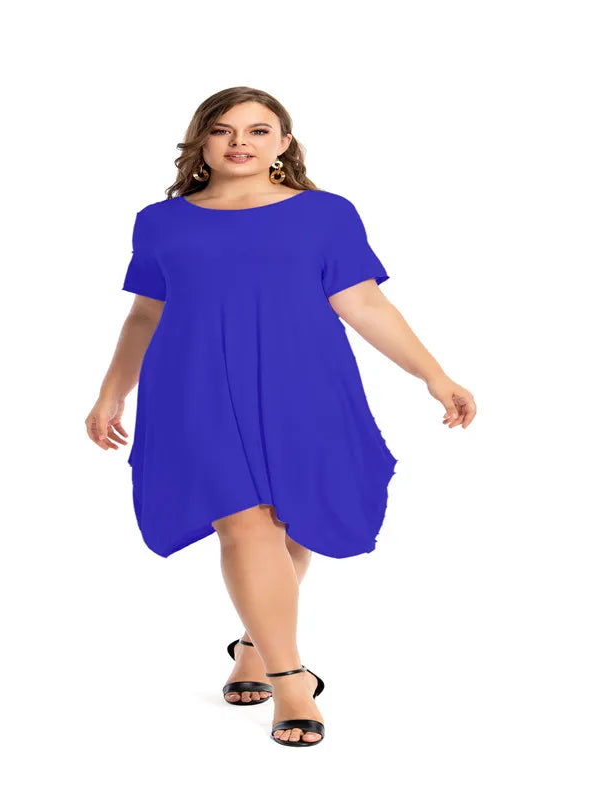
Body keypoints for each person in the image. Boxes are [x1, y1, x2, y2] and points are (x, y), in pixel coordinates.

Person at [86, 87, 477, 747]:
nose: (240, 142)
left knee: (289, 524)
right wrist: (111, 393)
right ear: (201, 142)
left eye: (258, 130)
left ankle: (253, 645)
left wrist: (434, 376)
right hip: (194, 389)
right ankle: (291, 680)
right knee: (243, 523)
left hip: (304, 384)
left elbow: (364, 304)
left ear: (283, 143)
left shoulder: (326, 214)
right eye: (223, 130)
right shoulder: (160, 222)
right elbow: (146, 315)